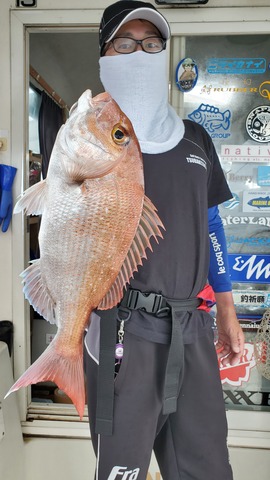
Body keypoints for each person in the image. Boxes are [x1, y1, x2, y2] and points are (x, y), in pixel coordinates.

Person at [84, 2, 245, 479]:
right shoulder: (88, 139)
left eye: (152, 44)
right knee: (122, 472)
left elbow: (211, 223)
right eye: (126, 44)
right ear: (105, 55)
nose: (141, 52)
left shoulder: (195, 139)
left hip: (191, 328)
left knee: (207, 469)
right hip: (119, 331)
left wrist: (227, 310)